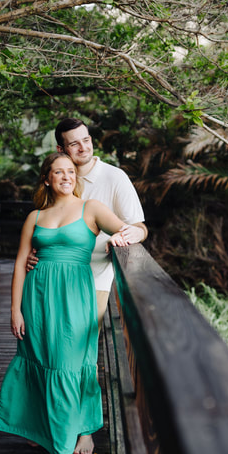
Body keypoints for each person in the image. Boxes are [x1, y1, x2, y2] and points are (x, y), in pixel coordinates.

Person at [0, 152, 140, 454]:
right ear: (47, 178)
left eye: (70, 171)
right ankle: (52, 434)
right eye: (58, 172)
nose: (66, 176)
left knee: (68, 366)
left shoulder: (90, 208)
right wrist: (15, 310)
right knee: (40, 362)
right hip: (37, 298)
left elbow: (131, 230)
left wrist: (124, 238)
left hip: (73, 299)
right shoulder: (35, 216)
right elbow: (19, 263)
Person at [27, 117, 147, 327]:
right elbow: (45, 221)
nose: (83, 148)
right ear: (61, 148)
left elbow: (139, 227)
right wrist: (32, 251)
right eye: (74, 143)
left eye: (86, 140)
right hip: (51, 279)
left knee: (80, 342)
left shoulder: (115, 177)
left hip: (95, 279)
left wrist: (129, 234)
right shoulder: (60, 178)